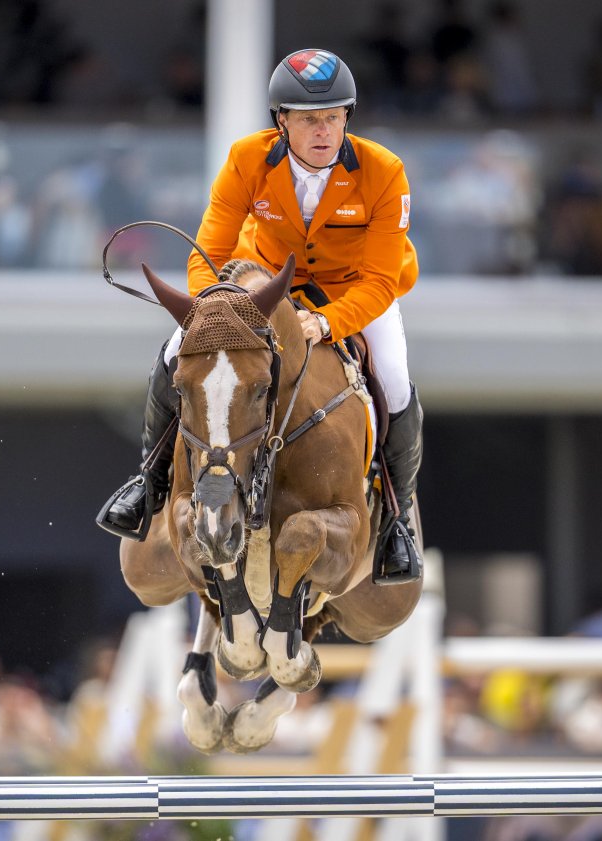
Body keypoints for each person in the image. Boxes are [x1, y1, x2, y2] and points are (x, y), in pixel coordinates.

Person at [98, 48, 423, 584]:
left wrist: (329, 323)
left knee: (394, 380)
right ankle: (149, 482)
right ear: (283, 122)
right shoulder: (247, 158)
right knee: (175, 352)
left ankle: (396, 522)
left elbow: (381, 281)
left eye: (334, 117)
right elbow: (207, 254)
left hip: (355, 293)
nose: (325, 131)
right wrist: (215, 313)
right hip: (264, 292)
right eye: (310, 119)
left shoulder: (384, 172)